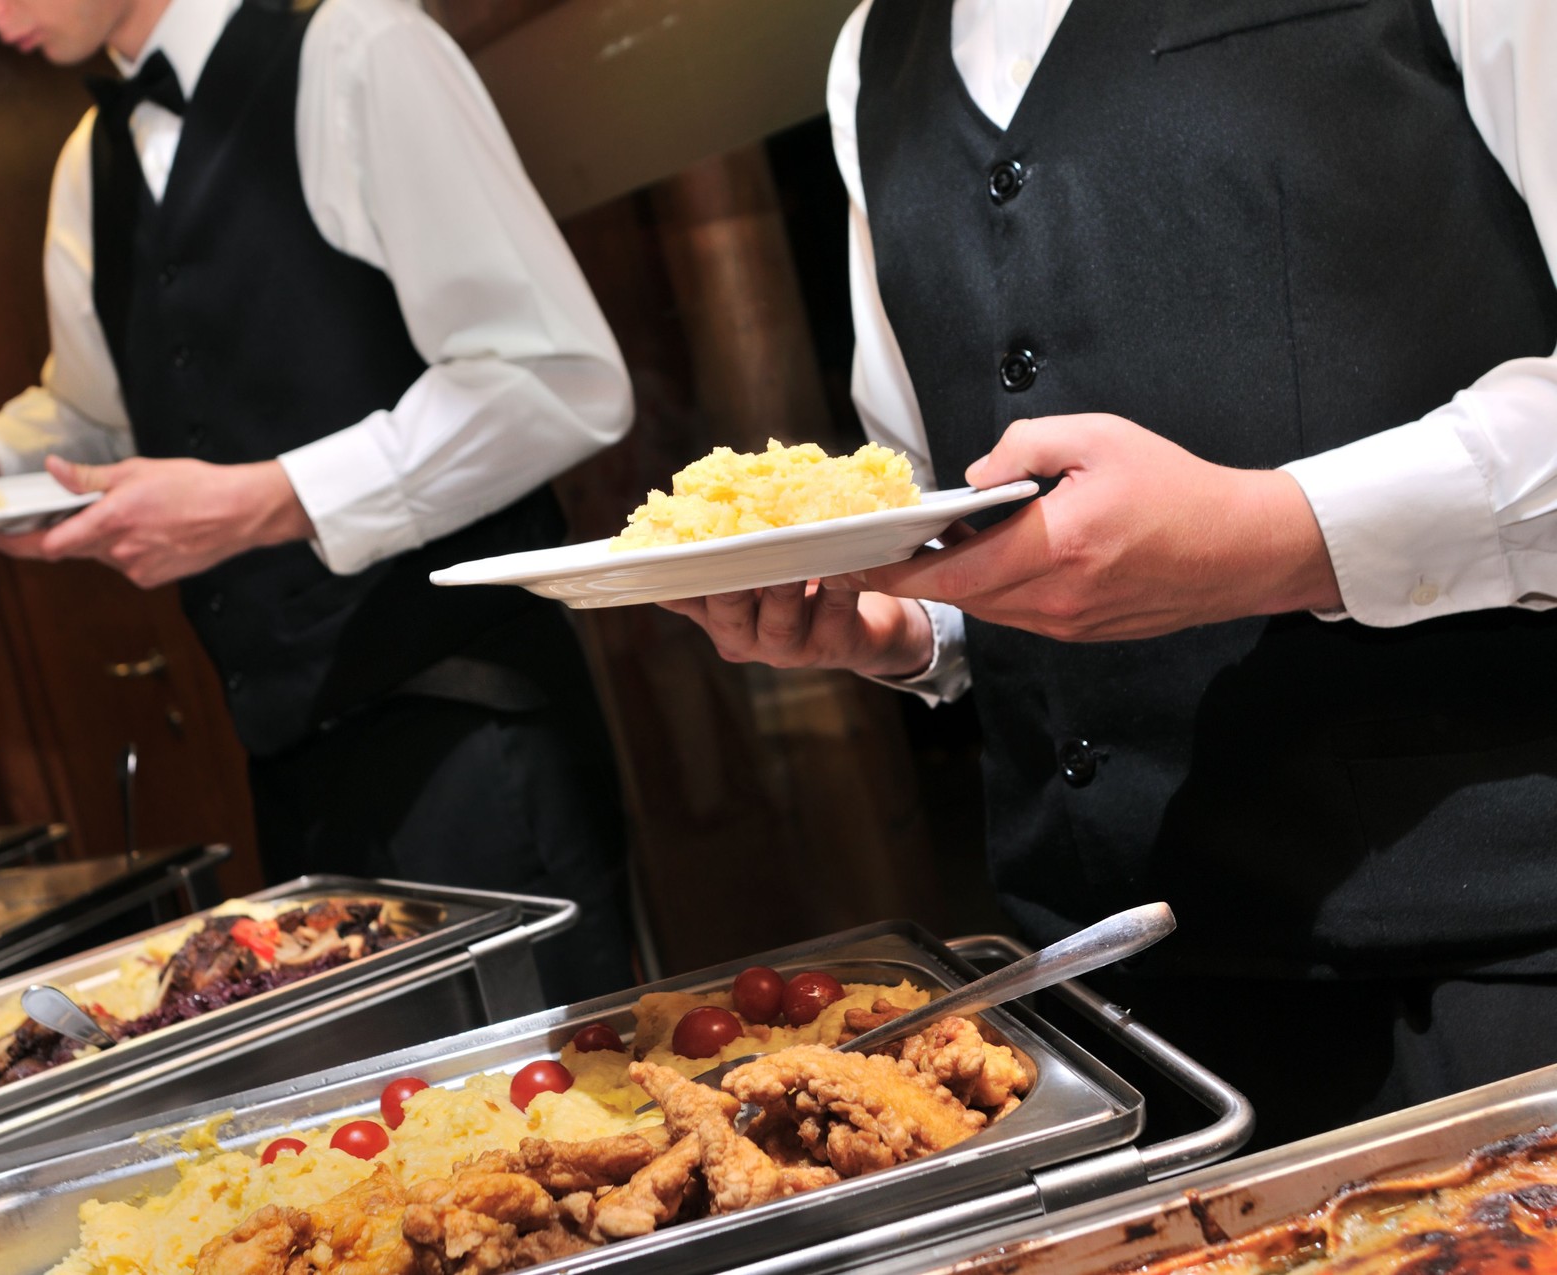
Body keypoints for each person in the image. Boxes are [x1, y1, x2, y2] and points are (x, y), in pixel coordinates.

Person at [667, 0, 1557, 1146]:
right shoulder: (870, 55)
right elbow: (942, 491)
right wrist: (907, 627)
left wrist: (1275, 529)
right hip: (1104, 1012)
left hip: (1494, 968)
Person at [0, 0, 637, 1001]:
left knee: (574, 1119)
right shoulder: (84, 161)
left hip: (472, 736)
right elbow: (92, 416)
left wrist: (269, 501)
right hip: (286, 773)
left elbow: (555, 379)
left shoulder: (359, 48)